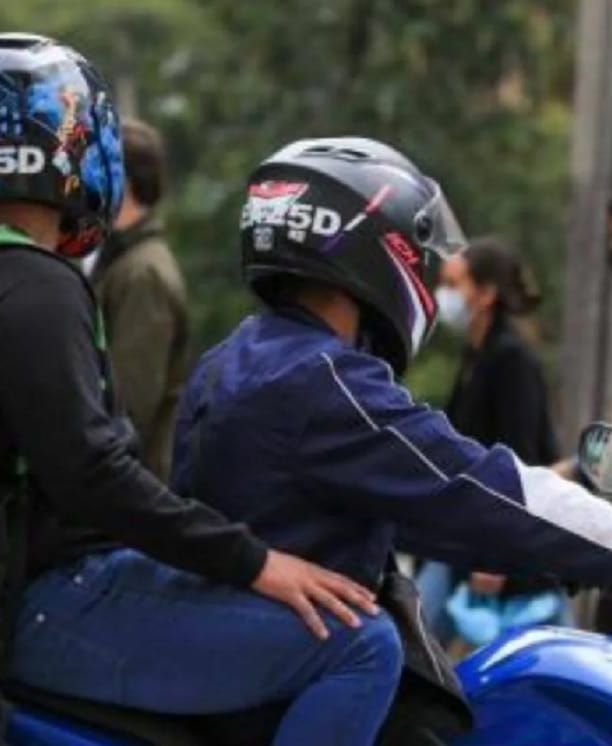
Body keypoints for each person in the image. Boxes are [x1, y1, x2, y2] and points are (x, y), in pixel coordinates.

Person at [0, 34, 383, 746]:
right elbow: (95, 476)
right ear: (71, 146)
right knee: (360, 643)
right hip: (52, 600)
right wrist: (256, 562)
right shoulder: (35, 285)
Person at [162, 138, 612, 743]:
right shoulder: (324, 381)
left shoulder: (235, 356)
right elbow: (477, 487)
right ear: (379, 248)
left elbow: (410, 504)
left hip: (241, 663)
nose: (428, 272)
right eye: (420, 251)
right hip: (292, 679)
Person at [417, 237, 568, 646]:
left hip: (498, 549)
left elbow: (519, 462)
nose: (443, 295)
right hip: (465, 538)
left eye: (453, 284)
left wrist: (499, 554)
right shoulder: (477, 356)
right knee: (416, 646)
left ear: (484, 294)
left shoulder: (511, 359)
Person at [89, 118, 188, 480]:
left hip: (129, 488)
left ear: (122, 182)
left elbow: (129, 405)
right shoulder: (119, 261)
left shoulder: (142, 274)